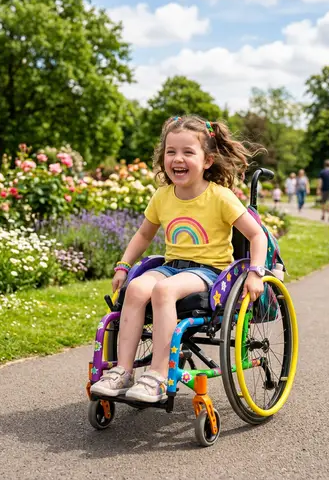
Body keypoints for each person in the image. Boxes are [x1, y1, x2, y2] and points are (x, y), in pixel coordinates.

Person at [90, 116, 267, 402]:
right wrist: (124, 265)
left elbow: (257, 235)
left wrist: (256, 273)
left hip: (209, 273)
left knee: (164, 290)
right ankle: (123, 371)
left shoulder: (220, 197)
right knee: (135, 289)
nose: (177, 159)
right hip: (171, 266)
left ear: (207, 160)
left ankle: (157, 376)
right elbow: (143, 235)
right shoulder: (162, 196)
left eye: (187, 152)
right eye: (171, 152)